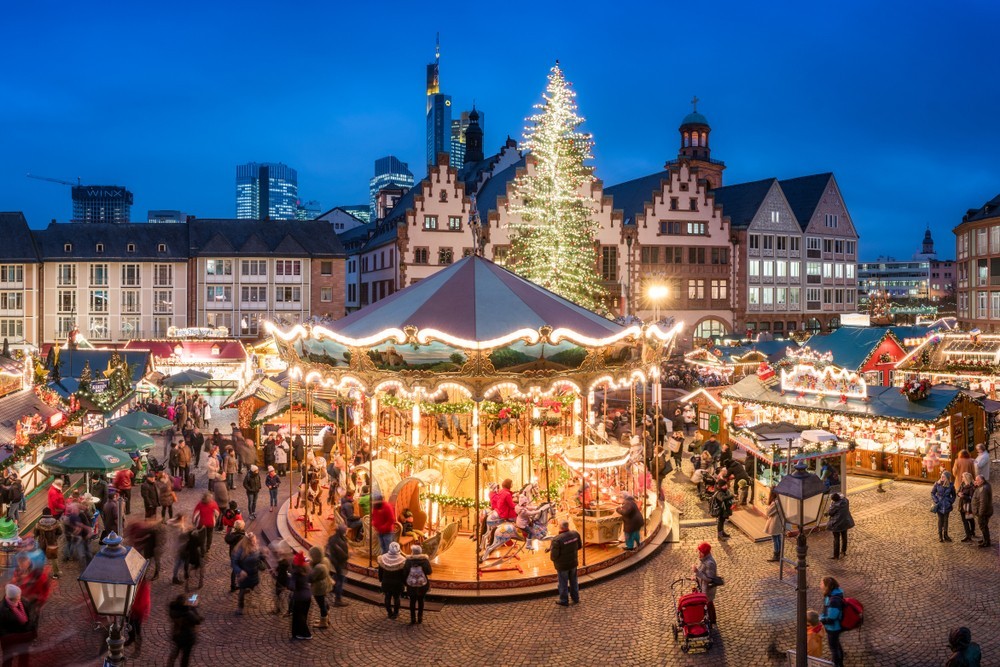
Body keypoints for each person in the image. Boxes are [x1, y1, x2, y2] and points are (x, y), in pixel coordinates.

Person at [0, 584, 35, 667]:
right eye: (18, 596)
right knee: (8, 659)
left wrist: (31, 630)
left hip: (24, 637)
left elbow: (31, 617)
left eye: (19, 595)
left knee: (24, 657)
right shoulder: (2, 609)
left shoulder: (23, 602)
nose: (20, 597)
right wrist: (10, 637)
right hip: (10, 641)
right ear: (11, 598)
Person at [549, 519, 581, 607]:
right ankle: (576, 597)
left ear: (560, 527)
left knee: (563, 582)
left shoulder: (557, 539)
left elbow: (554, 556)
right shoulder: (575, 534)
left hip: (562, 565)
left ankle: (564, 600)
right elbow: (579, 546)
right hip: (573, 562)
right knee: (574, 581)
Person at [231, 532, 262, 615]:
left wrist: (264, 555)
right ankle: (240, 607)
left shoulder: (256, 547)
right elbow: (234, 562)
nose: (255, 542)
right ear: (248, 542)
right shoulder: (240, 550)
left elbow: (259, 557)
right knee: (242, 592)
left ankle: (249, 597)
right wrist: (240, 571)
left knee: (252, 587)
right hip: (243, 576)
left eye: (255, 540)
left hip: (253, 574)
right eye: (253, 541)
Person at [167, 593, 202, 667]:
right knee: (185, 657)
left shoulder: (173, 610)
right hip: (188, 637)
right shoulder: (188, 613)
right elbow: (198, 620)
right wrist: (193, 608)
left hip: (177, 635)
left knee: (175, 651)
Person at [820, 576, 846, 667]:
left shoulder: (834, 599)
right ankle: (839, 661)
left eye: (822, 583)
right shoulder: (831, 595)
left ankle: (837, 664)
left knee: (834, 648)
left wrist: (821, 620)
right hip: (832, 626)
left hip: (834, 627)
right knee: (836, 645)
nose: (820, 585)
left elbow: (831, 618)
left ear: (827, 586)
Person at [124, 571, 151, 657]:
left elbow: (143, 603)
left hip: (137, 614)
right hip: (130, 611)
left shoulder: (143, 587)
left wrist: (134, 609)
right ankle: (131, 638)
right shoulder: (133, 583)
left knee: (137, 631)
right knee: (129, 626)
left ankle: (137, 649)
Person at [377, 541, 406, 619]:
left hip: (386, 582)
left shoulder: (382, 559)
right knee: (397, 598)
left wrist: (381, 580)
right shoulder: (402, 560)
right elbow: (404, 574)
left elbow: (380, 572)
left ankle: (389, 613)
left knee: (387, 597)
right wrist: (404, 583)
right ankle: (396, 613)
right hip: (398, 583)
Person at [404, 544, 432, 625]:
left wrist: (406, 583)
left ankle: (413, 618)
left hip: (411, 585)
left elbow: (405, 573)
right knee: (421, 601)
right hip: (422, 585)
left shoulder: (408, 561)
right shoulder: (425, 560)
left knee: (412, 601)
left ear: (412, 552)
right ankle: (420, 618)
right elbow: (429, 572)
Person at [288, 551, 313, 640]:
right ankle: (301, 632)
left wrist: (289, 578)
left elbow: (291, 587)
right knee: (304, 615)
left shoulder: (295, 574)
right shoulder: (307, 569)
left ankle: (306, 634)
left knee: (299, 617)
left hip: (299, 598)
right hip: (308, 596)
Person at [307, 546, 333, 628]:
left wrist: (309, 567)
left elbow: (310, 578)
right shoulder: (325, 560)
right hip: (325, 584)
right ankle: (327, 618)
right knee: (323, 602)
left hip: (319, 588)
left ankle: (323, 622)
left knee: (321, 604)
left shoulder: (319, 567)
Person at [693, 542, 718, 623]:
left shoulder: (710, 563)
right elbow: (702, 572)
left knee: (709, 604)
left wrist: (697, 572)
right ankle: (709, 619)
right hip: (703, 587)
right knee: (708, 604)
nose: (699, 553)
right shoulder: (704, 560)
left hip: (708, 589)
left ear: (704, 553)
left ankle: (712, 620)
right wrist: (696, 577)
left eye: (700, 552)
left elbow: (709, 578)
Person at [33, 507, 62, 579]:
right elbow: (60, 532)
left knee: (40, 558)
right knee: (54, 558)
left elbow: (35, 533)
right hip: (52, 542)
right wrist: (55, 537)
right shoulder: (55, 522)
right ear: (50, 513)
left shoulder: (39, 522)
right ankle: (56, 573)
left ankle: (39, 573)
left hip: (42, 543)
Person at [325, 525, 349, 608]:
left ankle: (333, 590)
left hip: (334, 562)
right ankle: (337, 600)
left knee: (338, 578)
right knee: (340, 581)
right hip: (339, 563)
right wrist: (348, 556)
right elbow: (343, 555)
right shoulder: (340, 541)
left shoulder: (332, 538)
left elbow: (327, 548)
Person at [826, 492, 855, 558]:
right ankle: (843, 551)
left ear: (834, 500)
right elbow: (843, 497)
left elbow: (830, 513)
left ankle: (836, 555)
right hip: (845, 522)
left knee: (836, 539)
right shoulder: (846, 501)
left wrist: (831, 505)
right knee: (844, 537)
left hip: (837, 524)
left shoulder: (835, 505)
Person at [932, 471, 957, 542]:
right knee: (940, 520)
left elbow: (954, 495)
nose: (941, 477)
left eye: (943, 476)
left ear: (947, 478)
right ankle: (940, 535)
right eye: (941, 476)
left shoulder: (951, 485)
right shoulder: (937, 484)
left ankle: (946, 535)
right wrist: (936, 500)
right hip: (939, 505)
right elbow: (932, 493)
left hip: (947, 505)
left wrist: (950, 501)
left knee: (946, 520)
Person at [225, 519, 247, 592]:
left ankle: (233, 586)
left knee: (234, 570)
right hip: (240, 556)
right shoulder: (242, 536)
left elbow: (227, 538)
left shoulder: (231, 535)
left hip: (233, 554)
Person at [972, 474, 993, 548]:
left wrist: (980, 513)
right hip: (985, 511)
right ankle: (985, 539)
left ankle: (986, 542)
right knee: (984, 526)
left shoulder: (983, 489)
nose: (975, 481)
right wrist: (976, 485)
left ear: (982, 480)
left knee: (983, 526)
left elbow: (983, 503)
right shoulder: (984, 485)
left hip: (983, 512)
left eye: (977, 480)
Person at [957, 472, 978, 543]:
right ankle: (968, 535)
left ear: (966, 478)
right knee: (965, 521)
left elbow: (972, 498)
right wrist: (958, 494)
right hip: (962, 505)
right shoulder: (962, 484)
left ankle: (972, 532)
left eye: (963, 477)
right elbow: (958, 491)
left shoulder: (972, 487)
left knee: (970, 519)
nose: (962, 478)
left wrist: (963, 496)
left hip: (968, 506)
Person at [764, 489, 784, 562]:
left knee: (775, 539)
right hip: (780, 522)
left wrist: (767, 507)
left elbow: (768, 512)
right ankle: (780, 554)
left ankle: (776, 555)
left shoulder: (776, 503)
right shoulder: (781, 501)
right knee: (778, 537)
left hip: (775, 522)